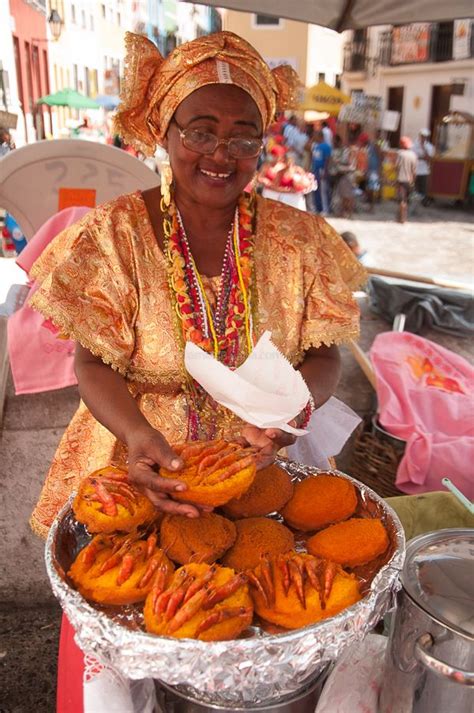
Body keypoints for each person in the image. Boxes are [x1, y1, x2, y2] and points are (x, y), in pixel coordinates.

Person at [29, 30, 365, 539]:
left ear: (263, 144)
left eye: (244, 138)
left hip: (260, 470)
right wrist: (137, 435)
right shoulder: (113, 235)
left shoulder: (302, 240)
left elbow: (323, 357)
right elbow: (92, 364)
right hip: (141, 463)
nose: (221, 155)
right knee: (128, 588)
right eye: (200, 133)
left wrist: (288, 415)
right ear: (165, 131)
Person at [329, 134, 356, 218]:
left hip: (347, 175)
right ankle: (344, 212)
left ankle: (349, 213)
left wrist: (338, 164)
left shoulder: (348, 151)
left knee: (348, 196)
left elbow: (351, 165)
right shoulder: (342, 151)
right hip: (341, 176)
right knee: (343, 195)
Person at [396, 136, 417, 224]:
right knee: (406, 200)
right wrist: (413, 181)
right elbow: (414, 170)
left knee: (402, 200)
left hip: (401, 179)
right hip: (409, 180)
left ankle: (401, 218)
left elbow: (397, 166)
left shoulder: (401, 154)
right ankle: (404, 217)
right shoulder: (413, 155)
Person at [311, 130, 332, 215]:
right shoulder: (316, 146)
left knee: (323, 190)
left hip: (321, 169)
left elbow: (327, 159)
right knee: (316, 189)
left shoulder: (326, 146)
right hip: (315, 169)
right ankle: (317, 208)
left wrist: (325, 170)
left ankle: (325, 209)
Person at [413, 128, 435, 206]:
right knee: (414, 187)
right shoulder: (414, 145)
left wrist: (423, 149)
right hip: (415, 169)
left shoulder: (429, 147)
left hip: (424, 170)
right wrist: (421, 157)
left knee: (423, 187)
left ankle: (423, 202)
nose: (423, 138)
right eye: (422, 136)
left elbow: (428, 158)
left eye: (425, 136)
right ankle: (413, 202)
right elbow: (413, 156)